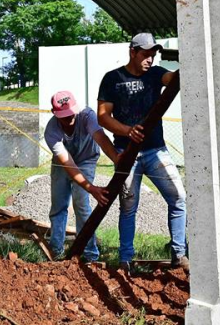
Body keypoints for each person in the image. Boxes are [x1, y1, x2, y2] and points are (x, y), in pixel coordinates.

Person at [97, 32, 188, 272]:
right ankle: (125, 259)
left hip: (156, 151)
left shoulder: (157, 74)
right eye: (146, 54)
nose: (150, 59)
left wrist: (189, 56)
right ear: (133, 52)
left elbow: (175, 78)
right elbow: (103, 117)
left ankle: (179, 254)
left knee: (178, 198)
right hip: (126, 153)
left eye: (153, 54)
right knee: (128, 206)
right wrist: (127, 131)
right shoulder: (112, 79)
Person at [44, 89, 119, 261]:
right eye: (64, 115)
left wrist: (116, 158)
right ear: (54, 114)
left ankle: (90, 254)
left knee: (81, 204)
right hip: (62, 164)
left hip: (86, 159)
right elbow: (67, 163)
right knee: (58, 206)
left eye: (71, 113)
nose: (70, 118)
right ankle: (56, 251)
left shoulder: (87, 116)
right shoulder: (51, 130)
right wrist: (91, 188)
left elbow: (100, 137)